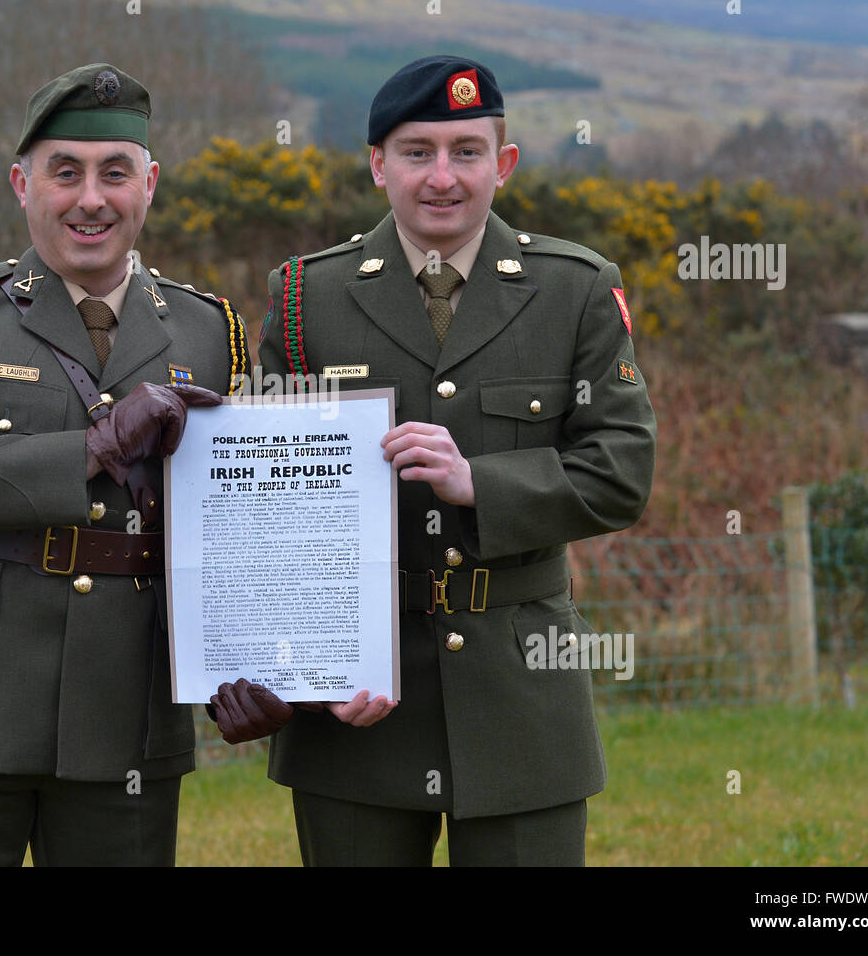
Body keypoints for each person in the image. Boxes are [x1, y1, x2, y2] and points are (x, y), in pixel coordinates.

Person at [252, 55, 657, 866]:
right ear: (377, 164)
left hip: (520, 691)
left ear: (502, 163)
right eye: (417, 151)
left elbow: (620, 469)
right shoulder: (306, 296)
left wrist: (482, 482)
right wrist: (305, 665)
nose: (443, 176)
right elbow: (268, 510)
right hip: (359, 696)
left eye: (467, 151)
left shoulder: (574, 288)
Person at [0, 63, 248, 866]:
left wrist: (245, 661)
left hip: (125, 707)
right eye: (63, 172)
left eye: (116, 173)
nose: (90, 199)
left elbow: (230, 526)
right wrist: (98, 445)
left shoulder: (208, 328)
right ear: (21, 183)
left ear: (150, 184)